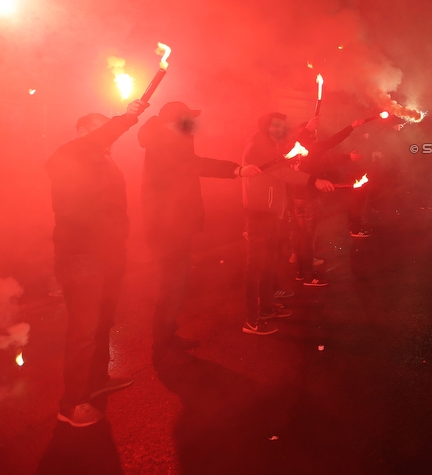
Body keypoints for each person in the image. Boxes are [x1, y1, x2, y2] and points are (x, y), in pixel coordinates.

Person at [45, 99, 148, 427]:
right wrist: (127, 118)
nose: (109, 138)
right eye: (101, 130)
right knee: (83, 331)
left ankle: (96, 381)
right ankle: (71, 403)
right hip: (82, 256)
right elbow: (96, 143)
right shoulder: (67, 155)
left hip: (107, 254)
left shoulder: (104, 163)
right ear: (82, 132)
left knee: (103, 322)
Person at [138, 101, 260, 363]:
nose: (192, 122)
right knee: (171, 285)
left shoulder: (170, 138)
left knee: (176, 284)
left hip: (176, 225)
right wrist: (236, 170)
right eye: (188, 118)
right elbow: (193, 165)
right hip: (166, 228)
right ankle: (161, 347)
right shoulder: (164, 141)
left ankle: (168, 335)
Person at [241, 113, 312, 335]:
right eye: (275, 125)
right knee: (255, 267)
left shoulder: (270, 144)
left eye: (281, 126)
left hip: (271, 212)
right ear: (265, 126)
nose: (279, 129)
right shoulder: (256, 146)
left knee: (268, 263)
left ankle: (267, 308)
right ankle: (251, 320)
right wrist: (313, 180)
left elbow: (279, 166)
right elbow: (278, 173)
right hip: (259, 212)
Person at [291, 115, 365, 286]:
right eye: (312, 134)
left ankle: (302, 271)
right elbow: (333, 141)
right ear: (305, 137)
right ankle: (308, 275)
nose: (315, 136)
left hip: (303, 197)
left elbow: (328, 159)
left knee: (304, 236)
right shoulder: (305, 150)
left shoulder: (305, 153)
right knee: (308, 238)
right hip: (307, 199)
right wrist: (352, 126)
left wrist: (348, 157)